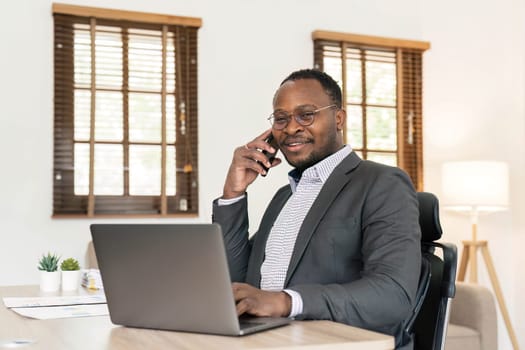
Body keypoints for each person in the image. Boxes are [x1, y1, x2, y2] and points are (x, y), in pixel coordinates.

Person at [212, 68, 421, 349]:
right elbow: (238, 281)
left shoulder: (381, 183)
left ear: (338, 118)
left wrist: (286, 302)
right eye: (281, 118)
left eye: (306, 114)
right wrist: (233, 194)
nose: (291, 127)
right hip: (269, 340)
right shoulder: (284, 197)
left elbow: (393, 295)